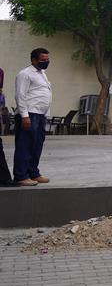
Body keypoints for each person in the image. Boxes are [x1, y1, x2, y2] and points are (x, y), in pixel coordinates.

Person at [14, 48, 52, 187]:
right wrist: (24, 116)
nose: (46, 62)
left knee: (37, 146)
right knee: (25, 145)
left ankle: (33, 173)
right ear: (33, 60)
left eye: (47, 60)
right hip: (29, 114)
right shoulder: (25, 74)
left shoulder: (42, 74)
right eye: (43, 60)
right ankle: (21, 175)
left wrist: (45, 115)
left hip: (40, 115)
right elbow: (20, 95)